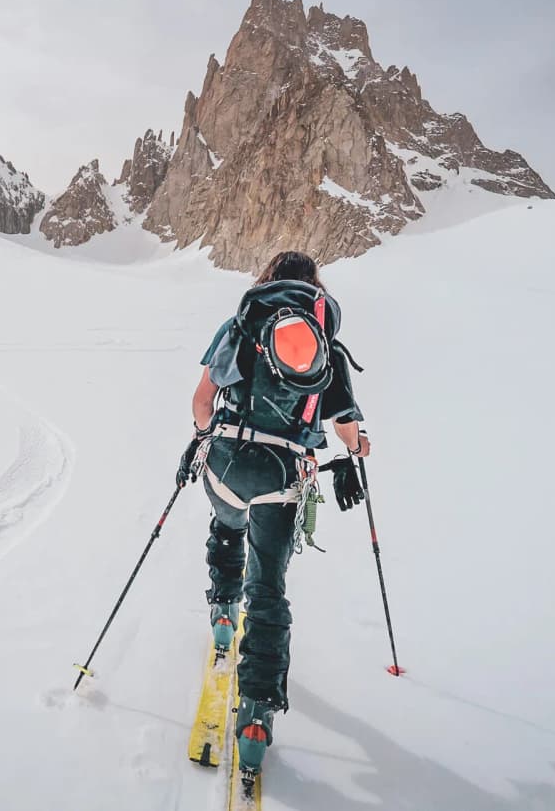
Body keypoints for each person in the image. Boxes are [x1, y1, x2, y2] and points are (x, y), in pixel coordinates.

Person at [177, 250, 370, 775]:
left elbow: (202, 400)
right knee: (269, 586)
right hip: (283, 477)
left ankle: (221, 612)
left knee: (226, 524)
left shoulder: (241, 322)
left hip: (227, 459)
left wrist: (201, 438)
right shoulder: (324, 338)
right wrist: (358, 447)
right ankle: (257, 711)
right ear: (314, 286)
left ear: (267, 280)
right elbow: (346, 426)